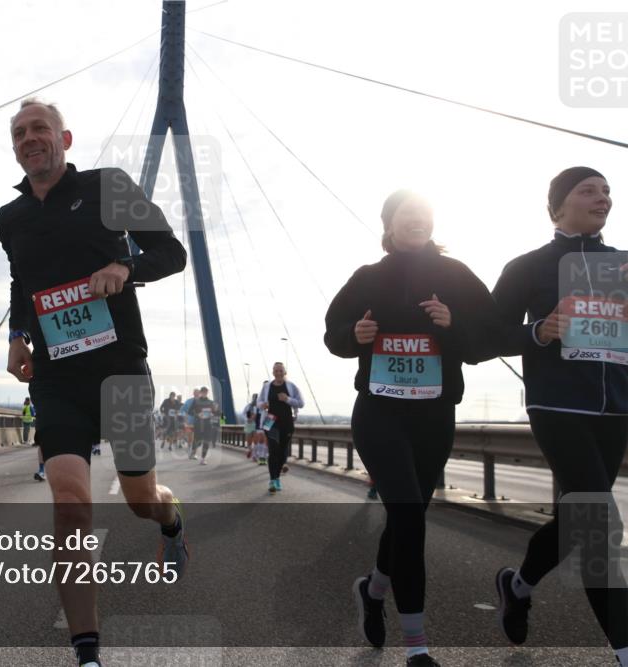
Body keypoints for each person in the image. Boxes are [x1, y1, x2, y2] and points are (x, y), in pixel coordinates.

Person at [0, 98, 188, 667]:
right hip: (56, 378)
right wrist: (17, 334)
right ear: (15, 147)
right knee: (71, 500)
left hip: (120, 369)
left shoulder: (109, 186)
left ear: (65, 138)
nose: (31, 139)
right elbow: (21, 284)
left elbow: (171, 252)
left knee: (140, 500)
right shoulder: (11, 218)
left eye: (40, 129)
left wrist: (126, 267)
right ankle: (88, 653)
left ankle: (172, 520)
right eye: (20, 133)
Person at [323, 189, 497, 667]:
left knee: (409, 516)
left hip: (433, 414)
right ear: (389, 224)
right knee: (409, 515)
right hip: (379, 412)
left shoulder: (456, 275)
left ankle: (374, 591)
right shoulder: (368, 278)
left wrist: (451, 324)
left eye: (424, 214)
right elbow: (333, 333)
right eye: (407, 214)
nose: (417, 220)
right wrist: (351, 337)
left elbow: (487, 338)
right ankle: (417, 646)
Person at [489, 167, 627, 666]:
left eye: (607, 190)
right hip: (557, 407)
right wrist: (537, 332)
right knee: (597, 523)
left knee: (575, 520)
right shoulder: (529, 267)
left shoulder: (623, 264)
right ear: (556, 206)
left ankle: (518, 586)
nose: (603, 198)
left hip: (614, 411)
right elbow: (485, 338)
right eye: (588, 190)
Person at [256, 362, 305, 493]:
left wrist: (287, 399)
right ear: (273, 372)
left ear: (285, 372)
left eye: (281, 371)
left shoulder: (291, 386)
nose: (278, 373)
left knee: (282, 451)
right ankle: (273, 480)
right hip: (270, 421)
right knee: (273, 449)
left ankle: (277, 478)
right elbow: (258, 402)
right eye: (276, 371)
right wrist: (263, 404)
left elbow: (301, 403)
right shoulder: (267, 387)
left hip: (287, 422)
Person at [187, 386, 219, 465]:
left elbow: (217, 413)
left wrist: (213, 412)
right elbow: (189, 411)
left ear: (207, 392)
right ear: (200, 392)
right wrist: (197, 414)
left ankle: (203, 459)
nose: (204, 393)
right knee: (197, 441)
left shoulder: (211, 402)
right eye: (203, 391)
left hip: (208, 424)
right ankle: (193, 451)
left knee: (206, 441)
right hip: (198, 424)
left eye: (206, 392)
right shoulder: (196, 401)